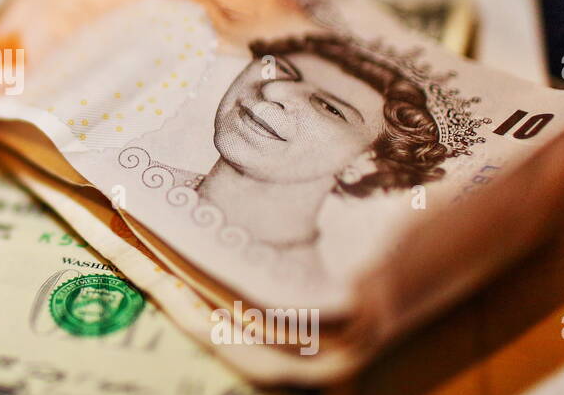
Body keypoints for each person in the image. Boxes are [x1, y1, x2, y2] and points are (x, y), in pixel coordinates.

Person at [188, 34, 448, 272]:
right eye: (278, 71)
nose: (273, 90)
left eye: (329, 107)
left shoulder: (300, 289)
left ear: (368, 164)